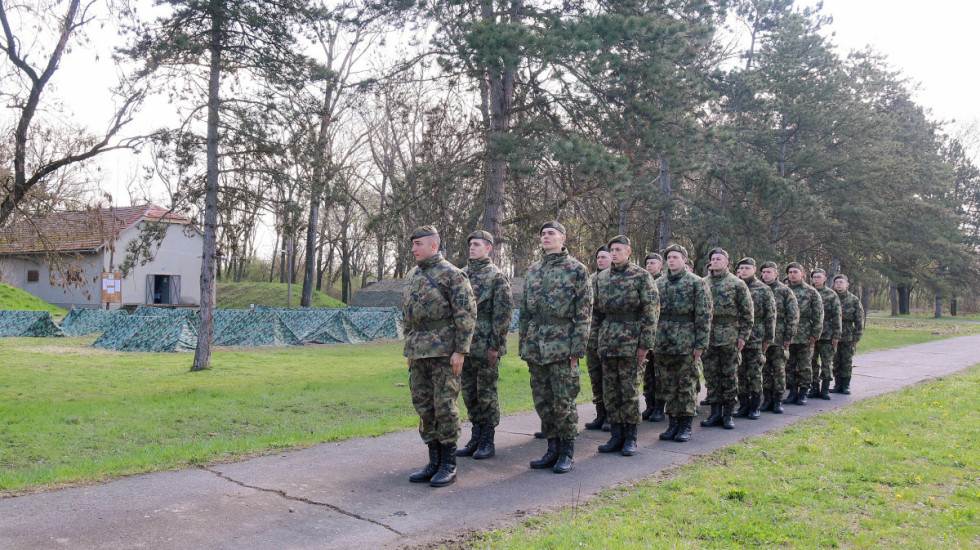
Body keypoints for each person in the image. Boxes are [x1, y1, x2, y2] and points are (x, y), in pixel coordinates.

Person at [403, 226, 477, 487]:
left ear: (433, 246)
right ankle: (433, 460)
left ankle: (448, 463)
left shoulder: (452, 275)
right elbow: (407, 315)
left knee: (444, 405)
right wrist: (409, 349)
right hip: (418, 350)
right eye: (413, 244)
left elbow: (466, 315)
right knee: (423, 405)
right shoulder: (413, 275)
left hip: (444, 352)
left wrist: (460, 351)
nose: (414, 249)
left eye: (418, 244)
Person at [519, 221, 592, 473]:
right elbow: (526, 311)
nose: (545, 237)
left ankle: (566, 452)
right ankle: (551, 448)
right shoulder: (534, 269)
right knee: (543, 400)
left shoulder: (577, 270)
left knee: (563, 401)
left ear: (563, 238)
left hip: (562, 343)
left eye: (551, 233)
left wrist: (577, 349)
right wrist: (524, 344)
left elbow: (584, 314)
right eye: (543, 233)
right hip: (536, 344)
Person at [592, 236, 658, 456]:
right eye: (612, 250)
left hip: (631, 340)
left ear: (629, 252)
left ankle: (630, 437)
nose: (614, 253)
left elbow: (651, 312)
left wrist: (645, 345)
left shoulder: (641, 276)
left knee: (628, 391)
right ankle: (616, 435)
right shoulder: (601, 278)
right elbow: (596, 313)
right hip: (608, 340)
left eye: (619, 250)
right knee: (610, 391)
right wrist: (597, 342)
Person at [456, 230, 513, 460]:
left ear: (489, 248)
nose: (472, 247)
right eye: (470, 244)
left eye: (477, 244)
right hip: (464, 346)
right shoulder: (461, 275)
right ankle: (475, 437)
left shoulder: (496, 276)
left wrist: (495, 346)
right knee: (469, 393)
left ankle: (488, 440)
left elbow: (504, 314)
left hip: (485, 345)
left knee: (486, 393)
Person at [655, 244, 712, 443]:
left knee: (686, 384)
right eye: (669, 257)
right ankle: (673, 423)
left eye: (675, 257)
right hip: (663, 341)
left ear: (685, 260)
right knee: (668, 384)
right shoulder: (659, 283)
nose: (671, 260)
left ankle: (686, 424)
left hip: (686, 341)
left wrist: (700, 344)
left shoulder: (696, 283)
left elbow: (704, 315)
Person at [700, 248, 753, 430]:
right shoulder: (702, 283)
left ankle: (728, 414)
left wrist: (743, 336)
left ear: (727, 262)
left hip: (730, 335)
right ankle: (715, 413)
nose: (715, 262)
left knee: (729, 376)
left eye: (719, 259)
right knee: (712, 376)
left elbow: (747, 313)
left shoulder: (737, 284)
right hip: (708, 336)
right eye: (713, 259)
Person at [734, 258, 776, 420]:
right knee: (740, 372)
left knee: (755, 372)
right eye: (741, 268)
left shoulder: (763, 289)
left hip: (756, 336)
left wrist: (768, 339)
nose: (744, 271)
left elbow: (770, 316)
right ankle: (743, 405)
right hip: (735, 335)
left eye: (747, 268)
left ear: (754, 269)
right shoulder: (735, 286)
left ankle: (755, 405)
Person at [759, 261, 799, 414]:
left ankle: (777, 400)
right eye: (763, 272)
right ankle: (767, 398)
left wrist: (788, 336)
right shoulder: (759, 289)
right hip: (761, 336)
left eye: (769, 272)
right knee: (764, 369)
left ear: (776, 274)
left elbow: (793, 316)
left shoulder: (785, 291)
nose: (766, 275)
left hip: (779, 337)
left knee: (778, 369)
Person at [784, 262, 823, 406]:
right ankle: (792, 392)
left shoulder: (811, 292)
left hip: (805, 334)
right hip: (788, 334)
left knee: (805, 365)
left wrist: (815, 335)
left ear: (802, 274)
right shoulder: (785, 290)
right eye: (790, 272)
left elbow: (818, 315)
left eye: (795, 272)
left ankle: (803, 392)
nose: (792, 274)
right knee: (789, 365)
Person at [584, 246, 613, 431]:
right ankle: (600, 413)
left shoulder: (613, 279)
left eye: (604, 257)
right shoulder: (591, 280)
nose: (600, 260)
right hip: (591, 336)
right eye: (598, 257)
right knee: (595, 377)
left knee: (609, 378)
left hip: (608, 337)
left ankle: (611, 415)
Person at [808, 268, 841, 401]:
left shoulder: (831, 294)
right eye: (815, 277)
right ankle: (814, 387)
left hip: (827, 334)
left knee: (827, 363)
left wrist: (836, 335)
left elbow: (837, 315)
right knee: (812, 362)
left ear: (825, 279)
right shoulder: (809, 292)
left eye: (819, 277)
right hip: (810, 334)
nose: (817, 279)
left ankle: (825, 388)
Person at [641, 252, 666, 422]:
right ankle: (649, 405)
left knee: (659, 373)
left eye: (653, 262)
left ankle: (659, 407)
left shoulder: (662, 283)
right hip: (644, 333)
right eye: (648, 263)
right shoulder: (642, 281)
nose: (650, 265)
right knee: (647, 374)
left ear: (660, 265)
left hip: (660, 334)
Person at [832, 274, 864, 394]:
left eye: (841, 282)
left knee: (846, 361)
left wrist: (856, 337)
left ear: (847, 284)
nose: (839, 284)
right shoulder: (832, 297)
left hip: (847, 335)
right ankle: (837, 384)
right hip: (833, 334)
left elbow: (859, 320)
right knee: (835, 361)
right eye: (837, 282)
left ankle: (846, 385)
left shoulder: (853, 300)